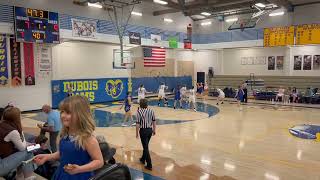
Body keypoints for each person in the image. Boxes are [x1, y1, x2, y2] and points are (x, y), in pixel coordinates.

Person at [34, 95, 104, 180]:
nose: (63, 115)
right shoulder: (65, 135)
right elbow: (62, 154)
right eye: (62, 112)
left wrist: (80, 169)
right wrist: (47, 157)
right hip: (62, 174)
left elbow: (99, 162)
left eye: (68, 112)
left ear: (80, 115)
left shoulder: (88, 138)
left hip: (80, 176)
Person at [0, 107, 36, 180]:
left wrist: (27, 144)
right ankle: (27, 176)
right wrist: (20, 129)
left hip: (2, 158)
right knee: (29, 151)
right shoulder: (13, 131)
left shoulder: (2, 125)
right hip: (1, 165)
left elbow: (20, 144)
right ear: (17, 118)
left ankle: (20, 176)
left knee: (26, 150)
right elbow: (22, 148)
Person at [136, 99, 156, 171]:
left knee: (145, 147)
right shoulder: (151, 111)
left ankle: (149, 164)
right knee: (146, 145)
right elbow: (154, 121)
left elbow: (138, 123)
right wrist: (154, 130)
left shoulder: (139, 111)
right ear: (147, 104)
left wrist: (136, 133)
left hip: (143, 131)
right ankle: (142, 159)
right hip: (149, 131)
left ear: (140, 105)